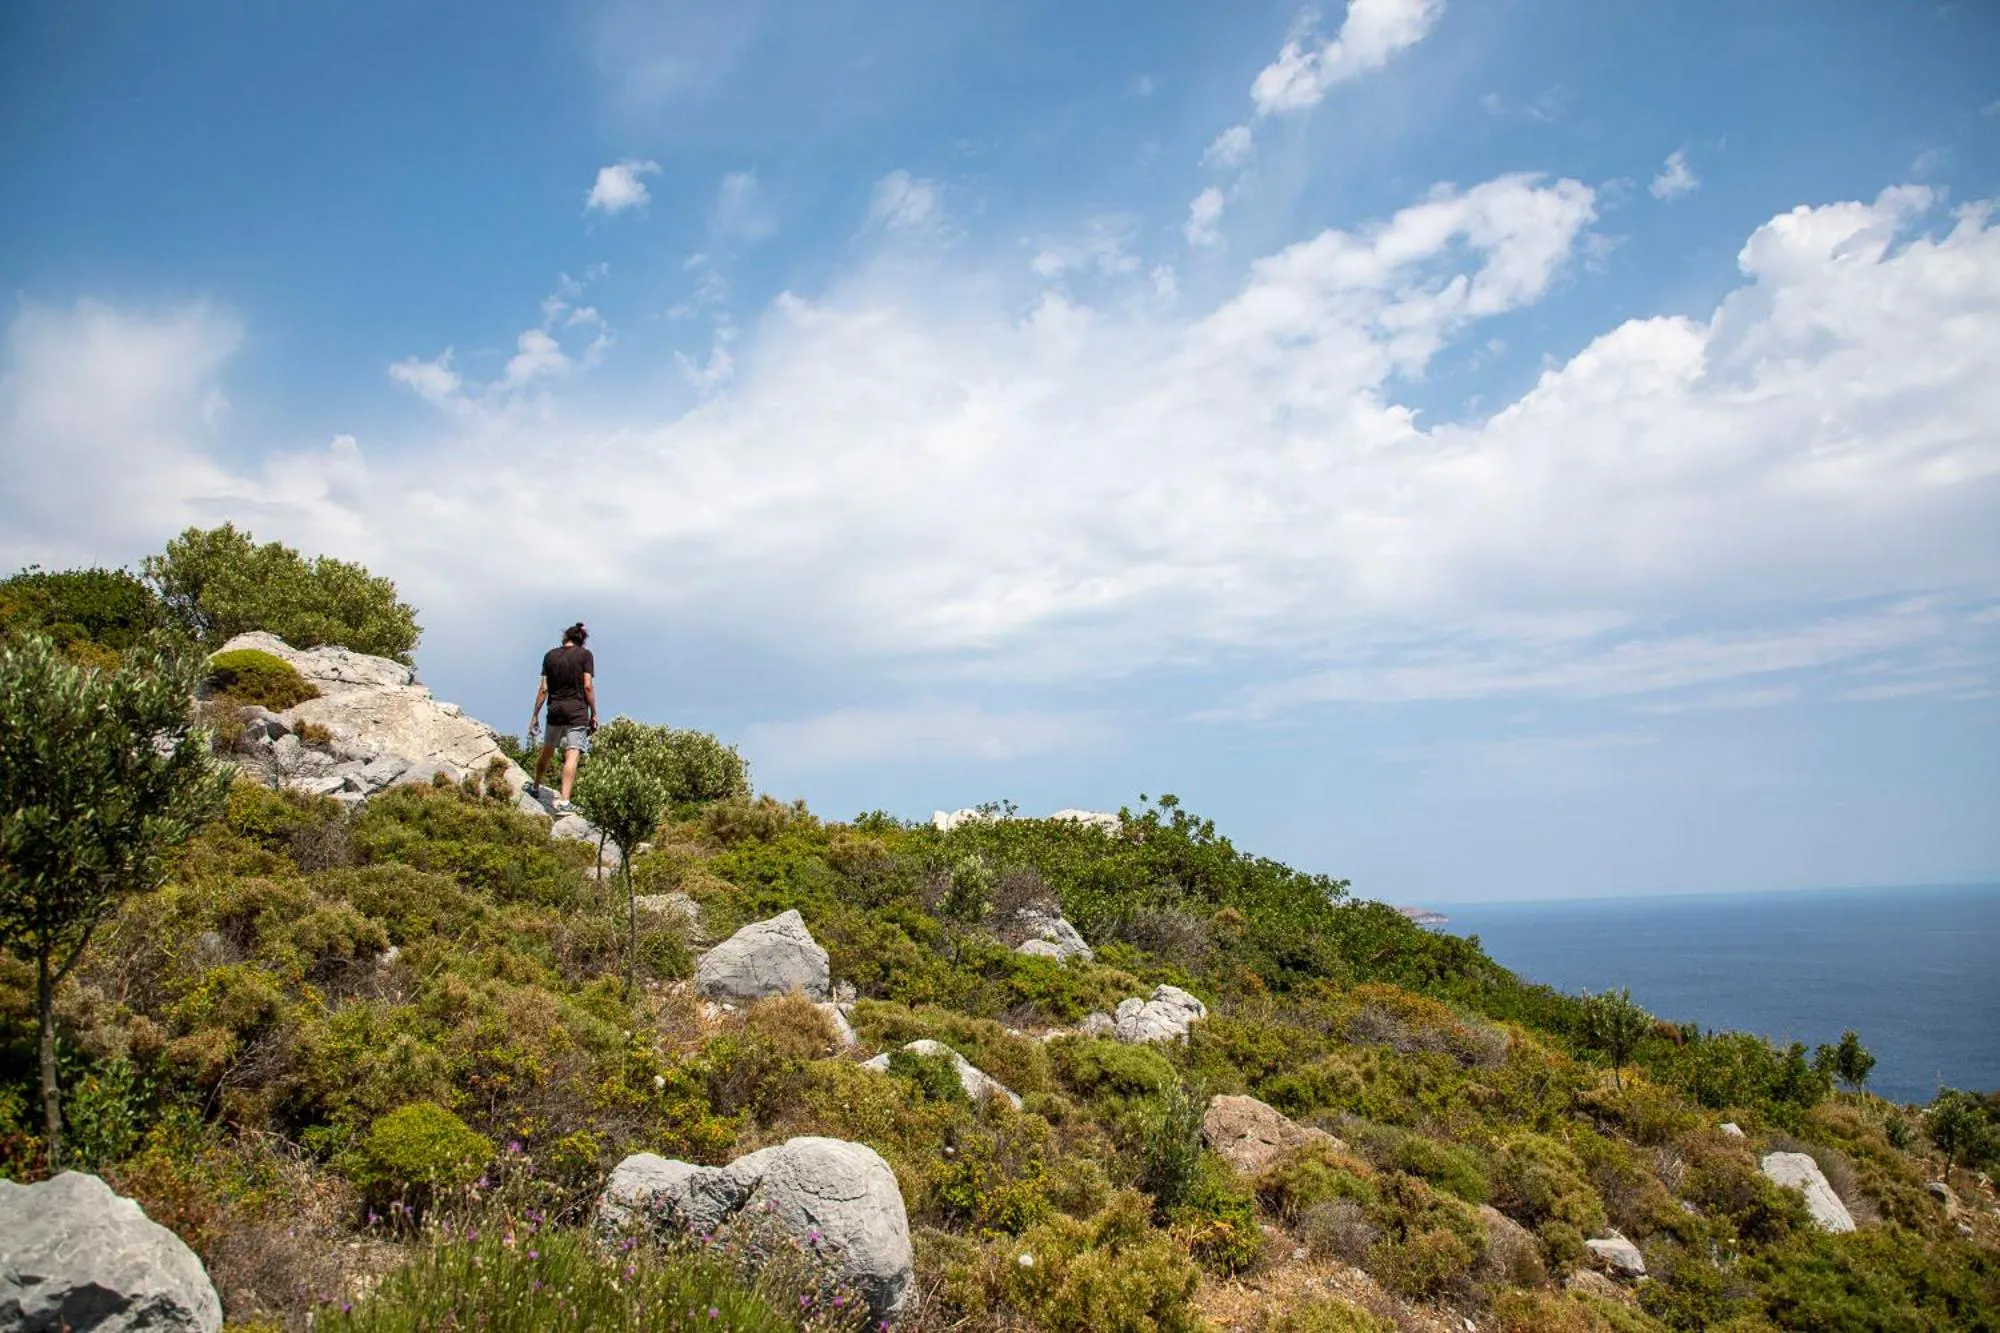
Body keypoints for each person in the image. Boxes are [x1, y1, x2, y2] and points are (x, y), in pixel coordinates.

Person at [528, 622, 596, 813]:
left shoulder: (549, 656)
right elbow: (588, 686)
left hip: (555, 711)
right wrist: (594, 713)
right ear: (581, 640)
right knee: (572, 754)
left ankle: (535, 787)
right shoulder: (585, 655)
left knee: (547, 752)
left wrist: (535, 715)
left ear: (565, 637)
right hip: (576, 711)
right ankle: (565, 801)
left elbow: (543, 689)